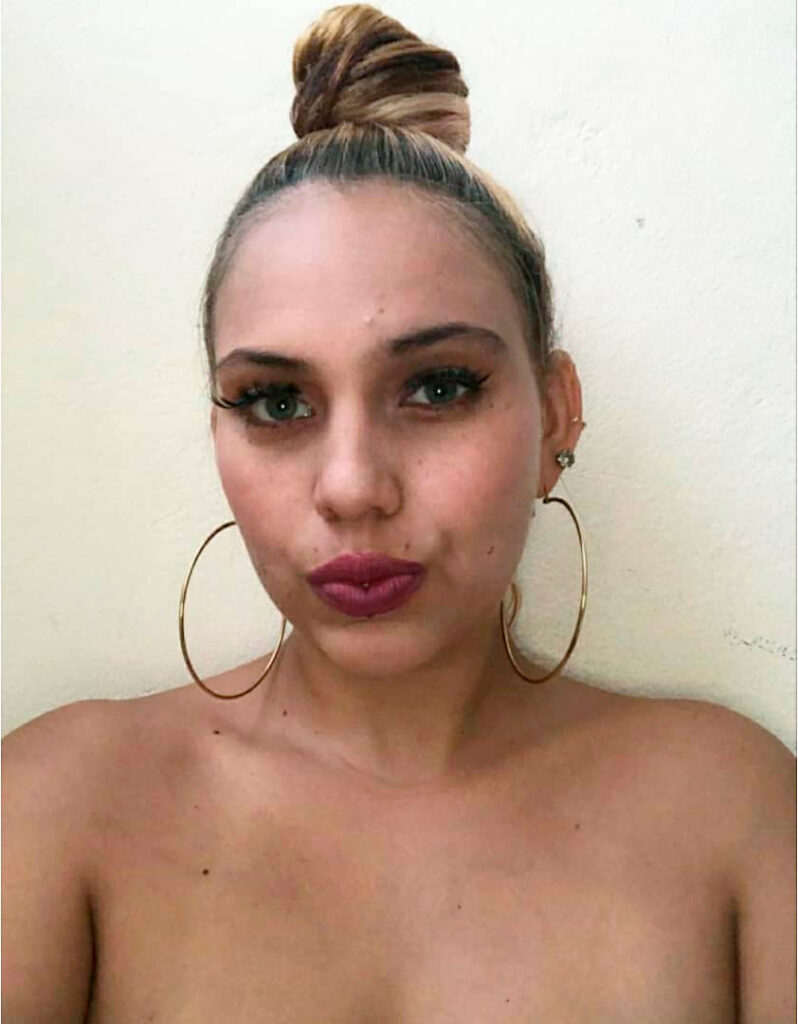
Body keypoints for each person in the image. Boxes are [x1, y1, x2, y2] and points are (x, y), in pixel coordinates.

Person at [3, 4, 795, 1021]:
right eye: (276, 402)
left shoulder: (736, 818)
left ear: (557, 414)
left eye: (438, 386)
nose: (350, 486)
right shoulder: (52, 813)